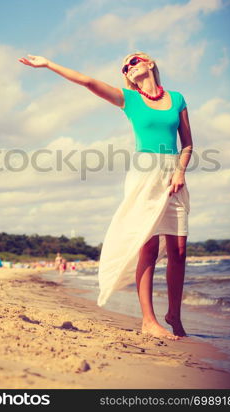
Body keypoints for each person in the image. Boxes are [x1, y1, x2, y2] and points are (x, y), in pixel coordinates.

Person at [18, 52, 193, 341]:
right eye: (125, 67)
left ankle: (173, 314)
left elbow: (187, 143)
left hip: (173, 174)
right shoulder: (129, 99)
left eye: (133, 61)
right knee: (147, 247)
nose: (129, 67)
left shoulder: (177, 99)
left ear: (149, 63)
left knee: (179, 251)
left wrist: (180, 171)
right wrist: (48, 64)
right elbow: (87, 81)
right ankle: (148, 320)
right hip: (144, 174)